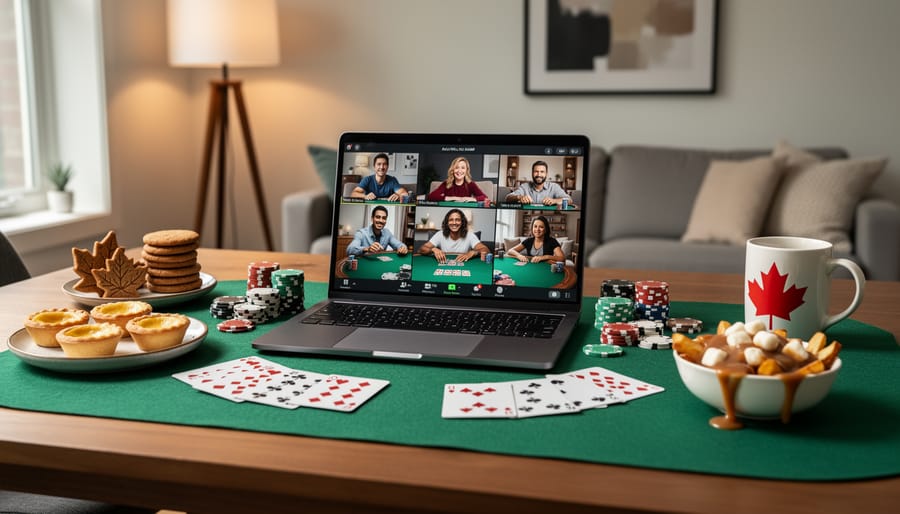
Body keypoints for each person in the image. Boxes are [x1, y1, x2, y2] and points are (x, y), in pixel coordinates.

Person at [418, 208, 489, 264]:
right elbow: (421, 249)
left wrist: (473, 252)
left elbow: (486, 250)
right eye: (451, 220)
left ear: (462, 222)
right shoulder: (440, 234)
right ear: (447, 223)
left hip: (465, 264)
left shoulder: (470, 235)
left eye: (457, 220)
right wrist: (433, 249)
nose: (454, 223)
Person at [505, 160, 572, 206]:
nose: (539, 174)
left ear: (546, 174)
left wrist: (554, 201)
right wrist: (519, 197)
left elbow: (569, 200)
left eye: (542, 172)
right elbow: (507, 198)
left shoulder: (554, 187)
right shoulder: (524, 186)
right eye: (536, 171)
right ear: (532, 173)